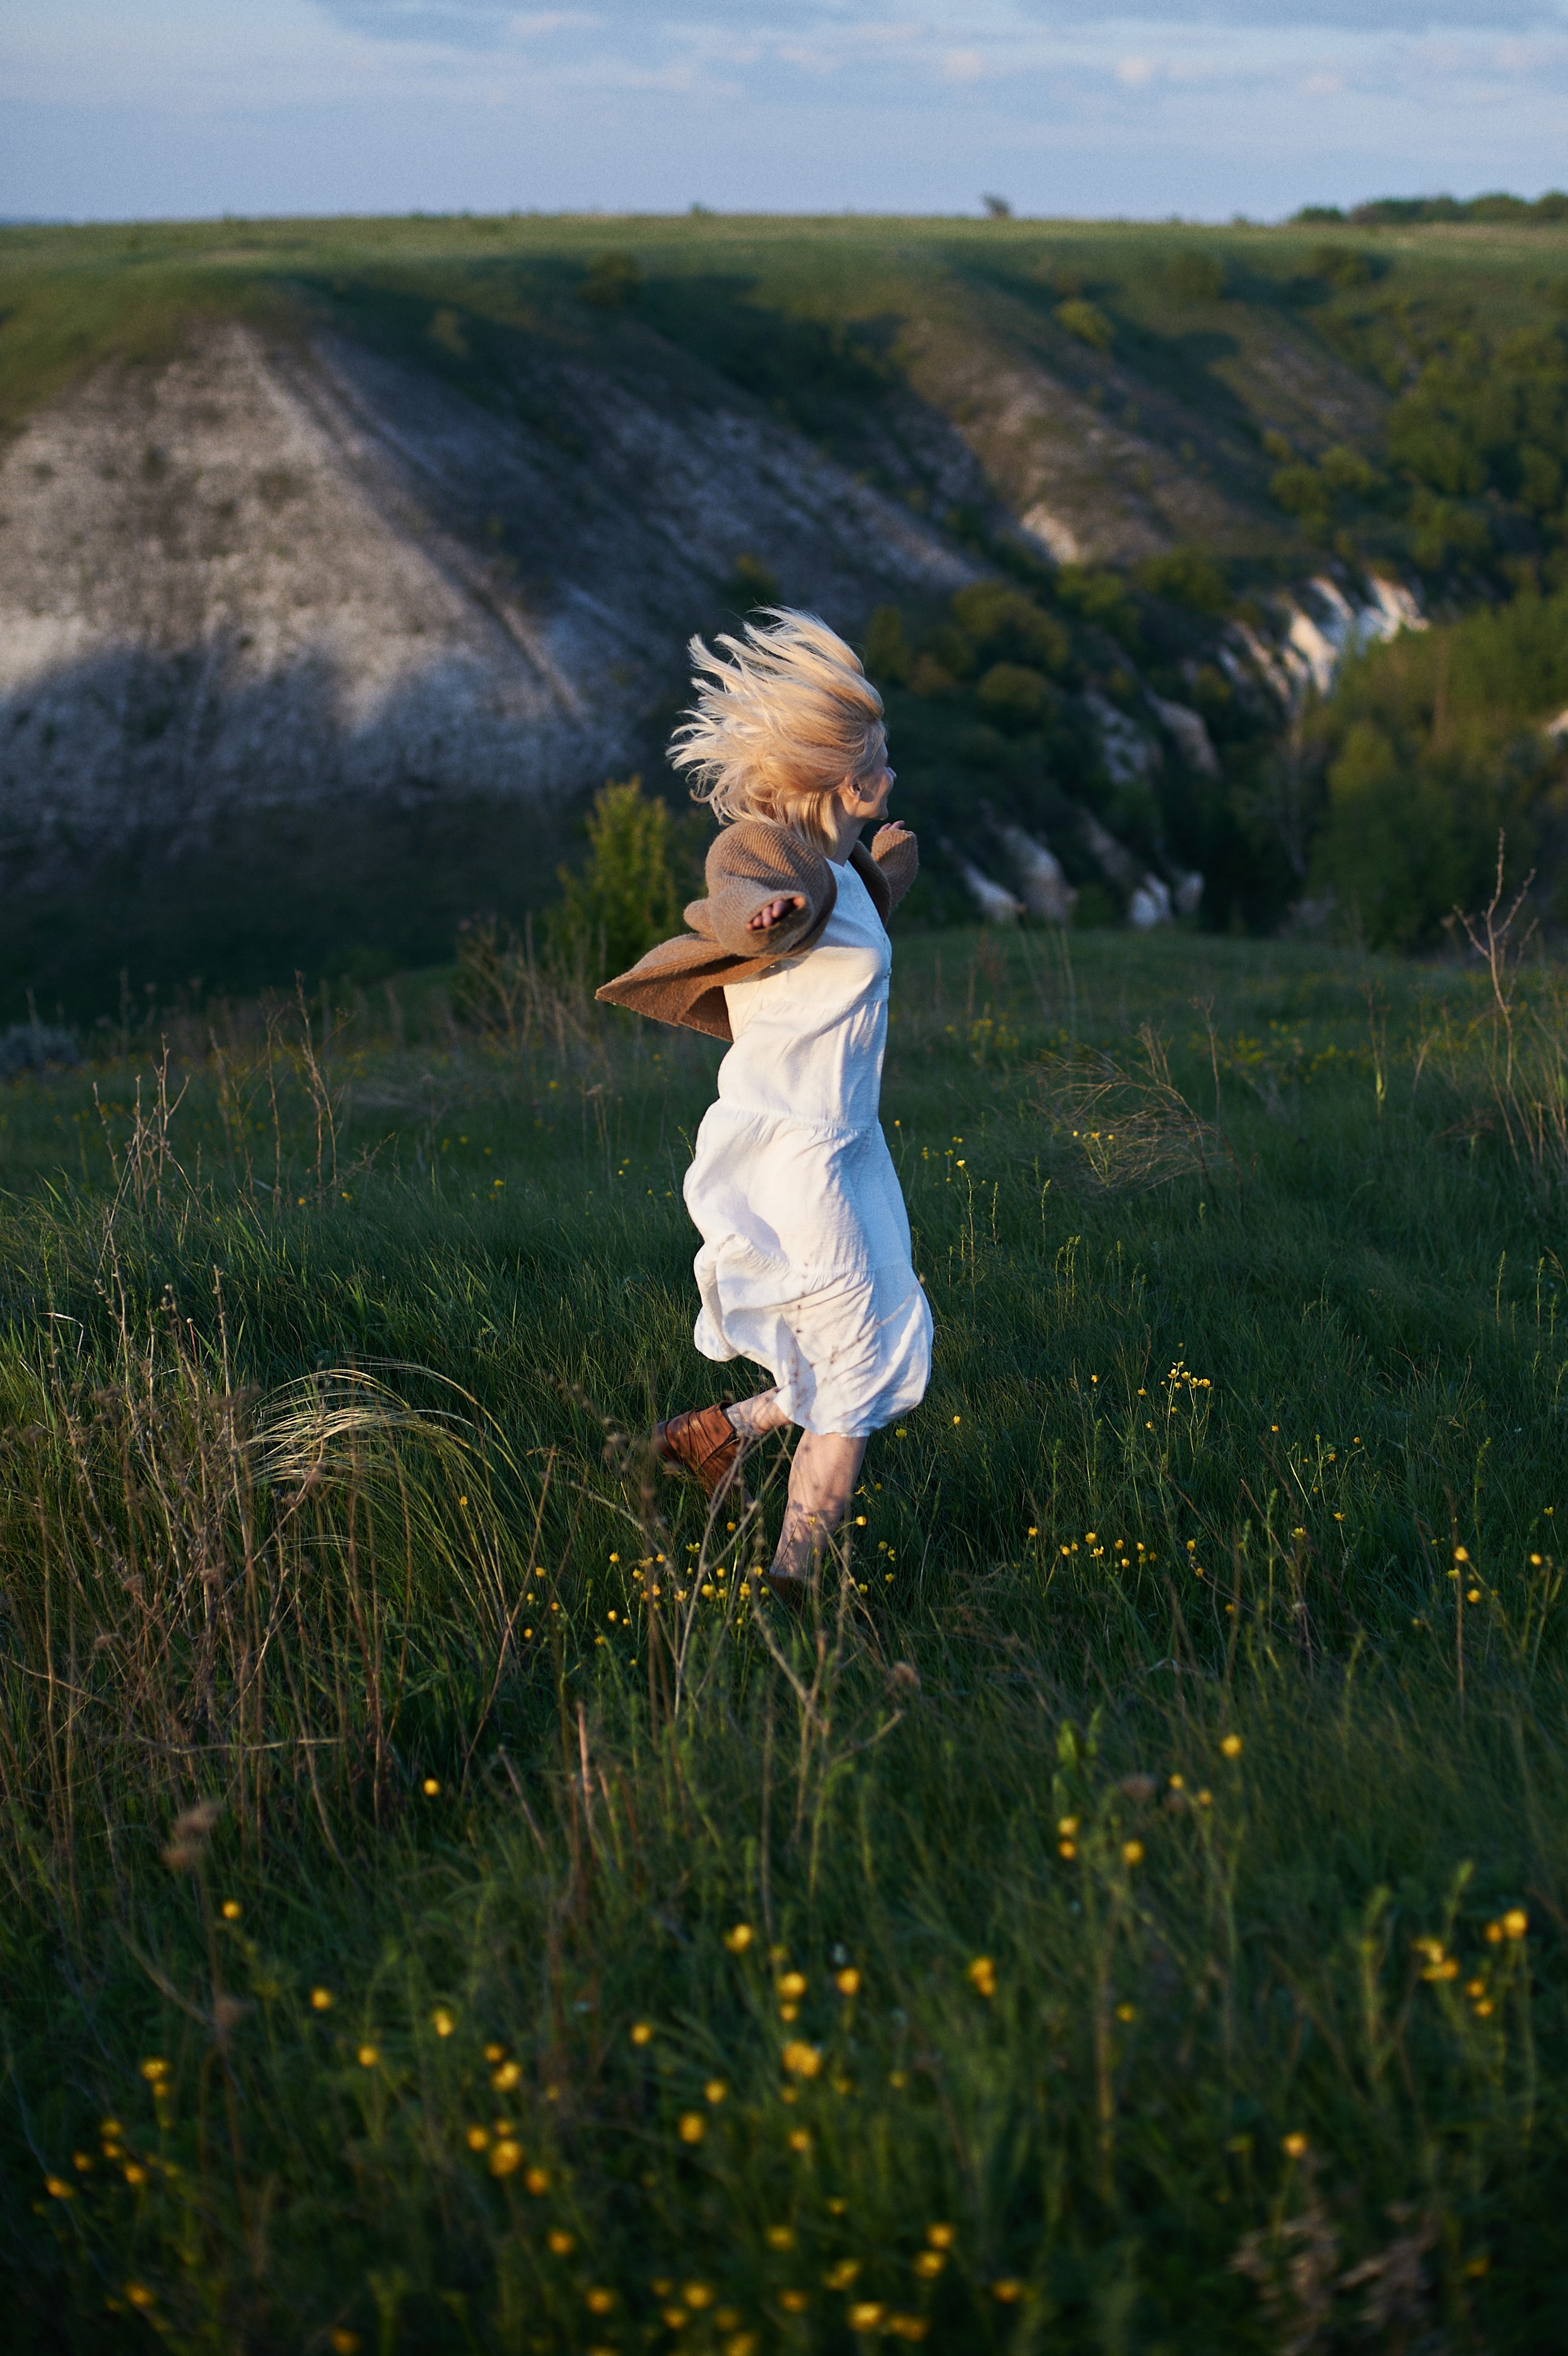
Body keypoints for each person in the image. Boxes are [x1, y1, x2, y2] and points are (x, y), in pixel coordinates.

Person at [596, 608, 931, 1604]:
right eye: (877, 760)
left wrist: (885, 871)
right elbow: (739, 884)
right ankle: (796, 1593)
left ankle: (718, 1435)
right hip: (799, 1156)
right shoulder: (775, 857)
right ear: (838, 774)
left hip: (850, 1144)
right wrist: (759, 915)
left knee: (890, 1331)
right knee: (855, 1374)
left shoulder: (835, 868)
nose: (892, 772)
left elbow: (837, 922)